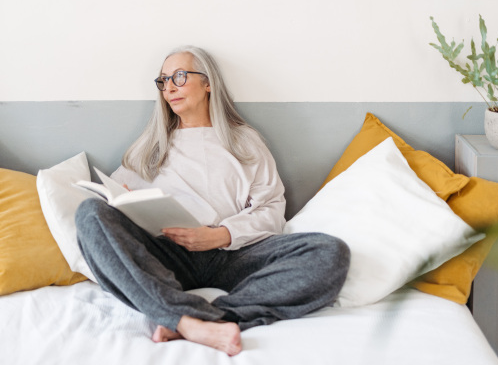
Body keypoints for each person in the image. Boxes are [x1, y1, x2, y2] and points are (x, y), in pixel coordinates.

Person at [75, 46, 350, 356]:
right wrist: (121, 202)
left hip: (234, 255)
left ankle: (203, 318)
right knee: (90, 213)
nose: (170, 87)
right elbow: (114, 207)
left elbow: (272, 210)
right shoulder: (148, 148)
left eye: (179, 76)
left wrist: (221, 234)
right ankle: (187, 320)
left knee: (329, 252)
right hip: (169, 257)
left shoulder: (245, 141)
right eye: (163, 80)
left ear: (208, 83)